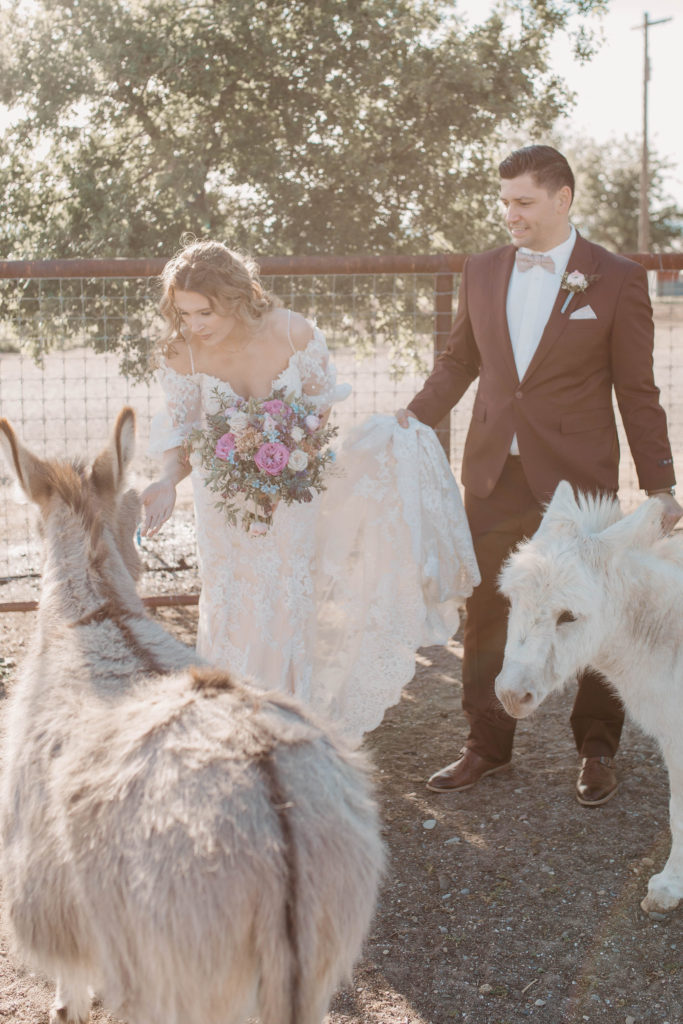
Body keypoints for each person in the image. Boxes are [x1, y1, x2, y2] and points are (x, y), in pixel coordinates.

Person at [397, 144, 682, 805]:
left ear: (562, 199)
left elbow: (637, 390)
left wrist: (661, 485)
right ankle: (486, 745)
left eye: (522, 202)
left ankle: (596, 748)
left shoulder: (615, 278)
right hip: (493, 472)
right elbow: (457, 361)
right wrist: (408, 422)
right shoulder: (482, 268)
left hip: (577, 484)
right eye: (503, 202)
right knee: (488, 606)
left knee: (589, 609)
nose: (509, 215)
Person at [141, 238, 480, 745]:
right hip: (222, 506)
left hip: (291, 496)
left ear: (235, 298)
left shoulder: (296, 334)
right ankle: (230, 725)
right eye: (184, 313)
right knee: (230, 605)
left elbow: (317, 420)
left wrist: (284, 461)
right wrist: (166, 479)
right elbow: (184, 435)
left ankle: (286, 728)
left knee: (284, 602)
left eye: (204, 312)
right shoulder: (181, 350)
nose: (194, 325)